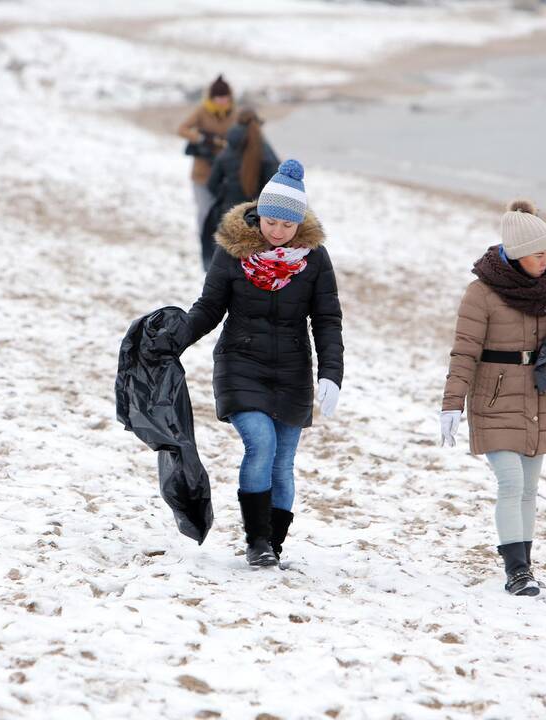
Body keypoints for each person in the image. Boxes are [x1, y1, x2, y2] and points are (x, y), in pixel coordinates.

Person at [183, 159, 344, 567]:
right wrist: (173, 340)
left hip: (292, 371)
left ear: (299, 224)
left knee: (284, 463)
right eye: (271, 222)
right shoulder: (233, 253)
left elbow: (326, 320)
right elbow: (209, 308)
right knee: (261, 445)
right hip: (240, 361)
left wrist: (331, 374)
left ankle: (273, 544)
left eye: (287, 226)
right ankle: (257, 542)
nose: (277, 232)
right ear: (259, 215)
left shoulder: (314, 259)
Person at [440, 200, 546, 597]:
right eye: (539, 254)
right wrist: (452, 404)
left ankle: (527, 565)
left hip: (537, 395)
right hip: (494, 395)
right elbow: (464, 351)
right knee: (510, 481)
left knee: (529, 488)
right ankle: (517, 571)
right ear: (518, 255)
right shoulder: (481, 293)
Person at [200, 107, 279, 266]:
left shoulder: (227, 150)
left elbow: (211, 184)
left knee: (227, 264)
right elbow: (276, 184)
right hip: (257, 216)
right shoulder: (265, 150)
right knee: (255, 266)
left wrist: (224, 195)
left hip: (228, 214)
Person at [177, 75, 236, 268]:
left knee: (224, 214)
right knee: (205, 212)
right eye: (219, 98)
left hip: (225, 175)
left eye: (225, 98)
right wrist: (202, 139)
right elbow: (182, 129)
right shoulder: (202, 111)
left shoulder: (234, 113)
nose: (222, 102)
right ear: (212, 98)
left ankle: (221, 252)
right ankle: (204, 248)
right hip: (202, 175)